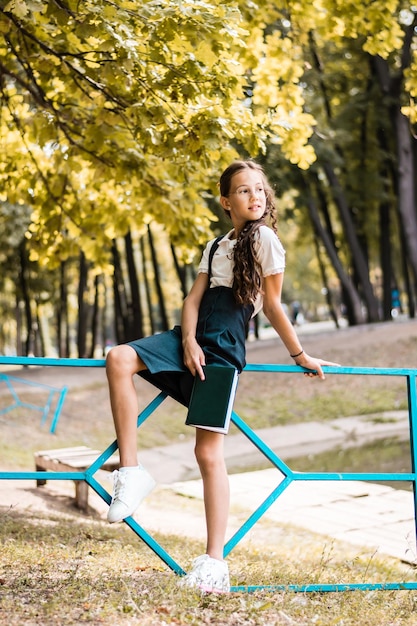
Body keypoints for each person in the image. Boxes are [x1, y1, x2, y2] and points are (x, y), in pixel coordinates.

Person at [105, 160, 339, 594]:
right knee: (119, 357)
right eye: (244, 190)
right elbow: (191, 300)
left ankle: (215, 563)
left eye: (259, 190)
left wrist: (300, 354)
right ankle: (132, 472)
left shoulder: (265, 239)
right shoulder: (215, 246)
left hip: (224, 349)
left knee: (208, 454)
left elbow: (271, 305)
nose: (255, 197)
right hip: (190, 341)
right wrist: (188, 341)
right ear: (225, 200)